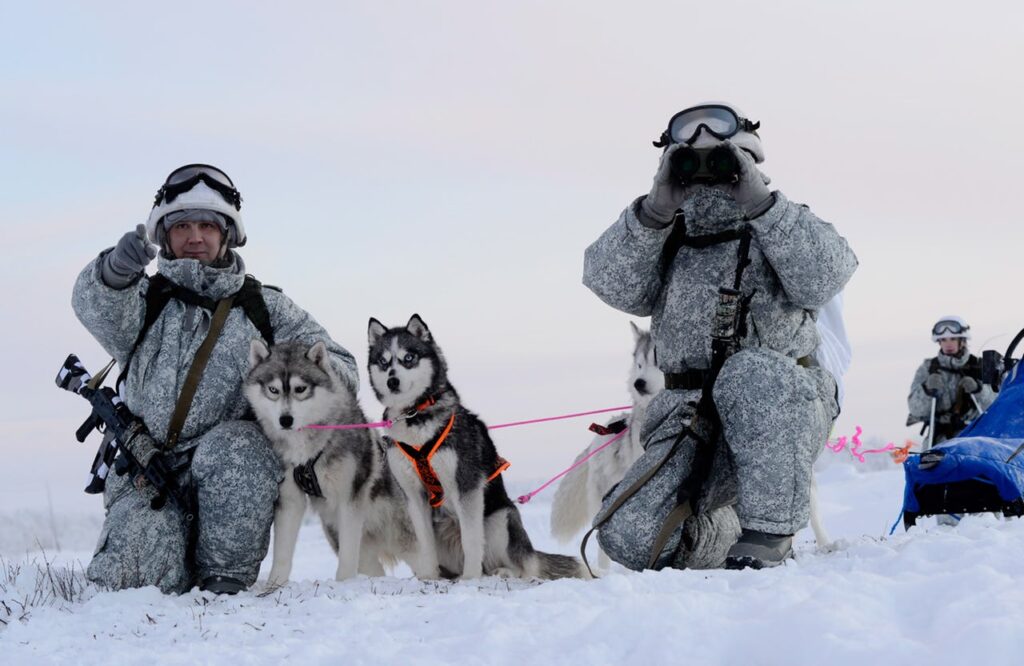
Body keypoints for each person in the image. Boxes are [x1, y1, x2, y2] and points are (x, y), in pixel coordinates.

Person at [582, 103, 857, 570]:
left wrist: (760, 205)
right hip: (690, 414)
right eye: (692, 159)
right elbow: (610, 282)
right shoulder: (667, 236)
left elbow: (825, 276)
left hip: (780, 406)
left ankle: (769, 532)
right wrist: (655, 210)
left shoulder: (782, 223)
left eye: (722, 159)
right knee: (627, 534)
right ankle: (728, 529)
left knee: (748, 372)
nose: (708, 171)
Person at [72, 164, 358, 594]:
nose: (195, 237)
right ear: (164, 235)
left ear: (227, 234)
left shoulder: (265, 308)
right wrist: (115, 272)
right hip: (146, 470)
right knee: (128, 586)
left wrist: (295, 388)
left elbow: (341, 369)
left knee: (240, 446)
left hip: (229, 468)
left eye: (207, 225)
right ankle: (174, 557)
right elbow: (97, 307)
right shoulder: (144, 300)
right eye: (182, 225)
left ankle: (224, 579)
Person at [907, 316, 998, 446]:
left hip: (975, 437)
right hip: (938, 441)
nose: (948, 343)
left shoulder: (979, 366)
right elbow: (915, 409)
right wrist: (926, 390)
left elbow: (995, 407)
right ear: (939, 342)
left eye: (953, 339)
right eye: (943, 339)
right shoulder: (928, 368)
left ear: (962, 340)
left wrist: (978, 390)